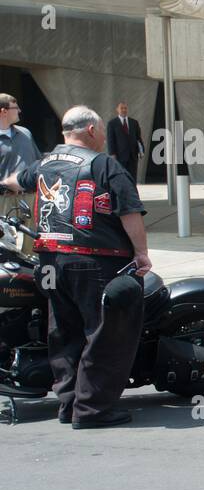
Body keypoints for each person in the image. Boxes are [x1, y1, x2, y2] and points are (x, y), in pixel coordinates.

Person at [1, 105, 151, 428]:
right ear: (94, 131)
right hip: (96, 261)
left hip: (50, 262)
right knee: (105, 335)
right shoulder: (103, 165)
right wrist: (141, 254)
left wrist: (5, 182)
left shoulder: (44, 164)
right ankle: (93, 410)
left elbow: (16, 181)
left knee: (64, 334)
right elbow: (129, 212)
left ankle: (68, 405)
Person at [0, 92, 42, 253]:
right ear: (3, 111)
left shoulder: (26, 133)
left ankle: (30, 275)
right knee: (4, 241)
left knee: (32, 242)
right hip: (4, 199)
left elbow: (38, 162)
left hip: (30, 196)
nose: (19, 110)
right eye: (15, 107)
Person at [106, 101, 144, 186]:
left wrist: (141, 151)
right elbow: (110, 139)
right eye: (121, 108)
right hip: (119, 156)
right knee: (121, 176)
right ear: (117, 110)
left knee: (132, 177)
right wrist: (112, 154)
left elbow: (138, 138)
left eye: (125, 108)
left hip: (132, 156)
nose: (124, 110)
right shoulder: (112, 123)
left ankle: (133, 196)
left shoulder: (134, 122)